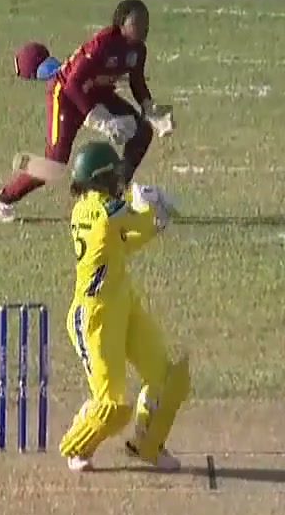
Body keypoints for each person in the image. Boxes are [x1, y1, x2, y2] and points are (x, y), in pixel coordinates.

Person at [53, 140, 190, 473]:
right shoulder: (104, 210)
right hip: (96, 317)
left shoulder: (89, 208)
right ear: (100, 179)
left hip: (122, 304)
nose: (119, 181)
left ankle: (147, 444)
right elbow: (136, 222)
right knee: (111, 406)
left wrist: (155, 220)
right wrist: (152, 208)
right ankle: (77, 446)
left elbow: (124, 244)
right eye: (113, 175)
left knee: (167, 378)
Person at [0, 0, 169, 223]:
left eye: (146, 23)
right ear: (121, 24)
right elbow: (72, 84)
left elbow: (136, 81)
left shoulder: (138, 49)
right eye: (137, 23)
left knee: (142, 131)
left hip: (97, 93)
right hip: (65, 96)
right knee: (54, 164)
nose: (144, 28)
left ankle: (115, 195)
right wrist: (100, 120)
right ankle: (1, 200)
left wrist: (150, 108)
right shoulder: (102, 45)